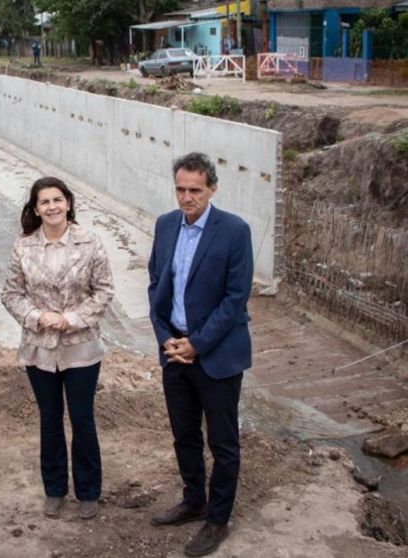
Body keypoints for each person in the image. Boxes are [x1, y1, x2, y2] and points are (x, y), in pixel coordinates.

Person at [147, 152, 253, 557]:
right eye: (180, 189)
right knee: (184, 434)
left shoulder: (234, 231)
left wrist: (198, 343)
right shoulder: (165, 225)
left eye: (195, 190)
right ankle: (194, 501)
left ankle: (217, 519)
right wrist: (165, 338)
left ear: (212, 189)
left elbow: (235, 298)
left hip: (216, 355)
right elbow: (156, 285)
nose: (186, 197)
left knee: (223, 443)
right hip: (175, 351)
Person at [1, 177, 114, 520]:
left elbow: (104, 291)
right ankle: (54, 490)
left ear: (68, 203)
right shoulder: (24, 247)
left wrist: (73, 318)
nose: (51, 207)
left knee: (82, 419)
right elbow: (11, 294)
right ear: (36, 209)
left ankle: (88, 492)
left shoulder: (90, 242)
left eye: (57, 200)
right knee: (50, 420)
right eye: (44, 202)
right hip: (40, 349)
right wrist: (38, 316)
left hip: (81, 347)